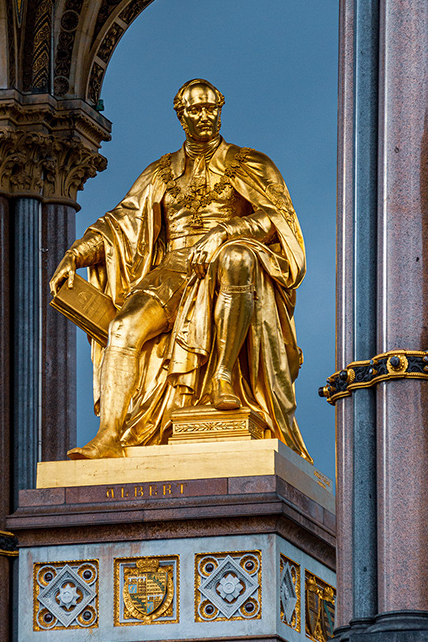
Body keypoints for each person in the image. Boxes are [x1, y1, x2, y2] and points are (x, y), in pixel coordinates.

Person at [50, 78, 310, 462]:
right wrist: (76, 254)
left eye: (211, 108)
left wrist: (225, 232)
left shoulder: (251, 163)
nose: (205, 116)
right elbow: (121, 223)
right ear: (181, 115)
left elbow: (277, 219)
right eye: (195, 109)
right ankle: (109, 435)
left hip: (226, 266)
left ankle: (223, 375)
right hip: (172, 271)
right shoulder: (161, 172)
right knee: (122, 329)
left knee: (236, 258)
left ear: (220, 109)